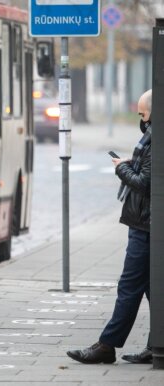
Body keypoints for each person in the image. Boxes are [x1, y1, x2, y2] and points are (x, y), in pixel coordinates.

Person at [67, 89, 153, 364]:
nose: (142, 119)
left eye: (143, 114)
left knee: (129, 286)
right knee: (153, 289)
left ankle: (106, 346)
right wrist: (132, 162)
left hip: (146, 225)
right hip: (146, 223)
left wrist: (121, 168)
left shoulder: (156, 138)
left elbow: (144, 183)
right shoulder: (151, 138)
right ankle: (156, 343)